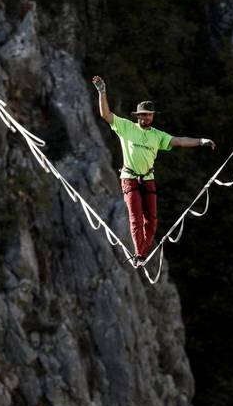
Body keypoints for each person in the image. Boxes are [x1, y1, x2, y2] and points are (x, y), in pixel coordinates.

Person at [91, 76, 216, 267]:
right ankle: (139, 254)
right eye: (144, 115)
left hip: (148, 178)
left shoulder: (158, 136)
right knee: (136, 217)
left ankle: (142, 252)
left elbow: (180, 140)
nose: (147, 118)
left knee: (151, 220)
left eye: (149, 115)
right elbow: (106, 114)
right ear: (138, 116)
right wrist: (102, 92)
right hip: (130, 178)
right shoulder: (126, 127)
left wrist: (201, 141)